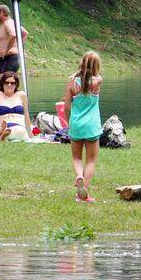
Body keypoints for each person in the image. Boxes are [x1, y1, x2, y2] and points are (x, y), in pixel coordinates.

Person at [62, 51, 103, 203]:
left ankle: (79, 176)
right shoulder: (97, 81)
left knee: (77, 157)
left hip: (76, 125)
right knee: (91, 160)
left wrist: (69, 122)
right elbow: (95, 77)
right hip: (92, 126)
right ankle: (83, 191)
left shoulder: (71, 82)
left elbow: (66, 107)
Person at [0, 71, 32, 141]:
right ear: (2, 83)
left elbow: (26, 116)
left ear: (16, 84)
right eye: (6, 82)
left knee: (20, 130)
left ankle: (3, 134)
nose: (9, 85)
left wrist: (30, 134)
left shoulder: (22, 95)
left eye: (12, 83)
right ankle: (2, 133)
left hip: (19, 126)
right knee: (13, 132)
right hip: (4, 124)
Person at [0, 4, 29, 74]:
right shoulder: (12, 22)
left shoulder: (8, 23)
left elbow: (13, 35)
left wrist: (6, 50)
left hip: (9, 58)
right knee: (5, 83)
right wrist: (18, 47)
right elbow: (25, 33)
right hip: (9, 58)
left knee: (7, 83)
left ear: (1, 13)